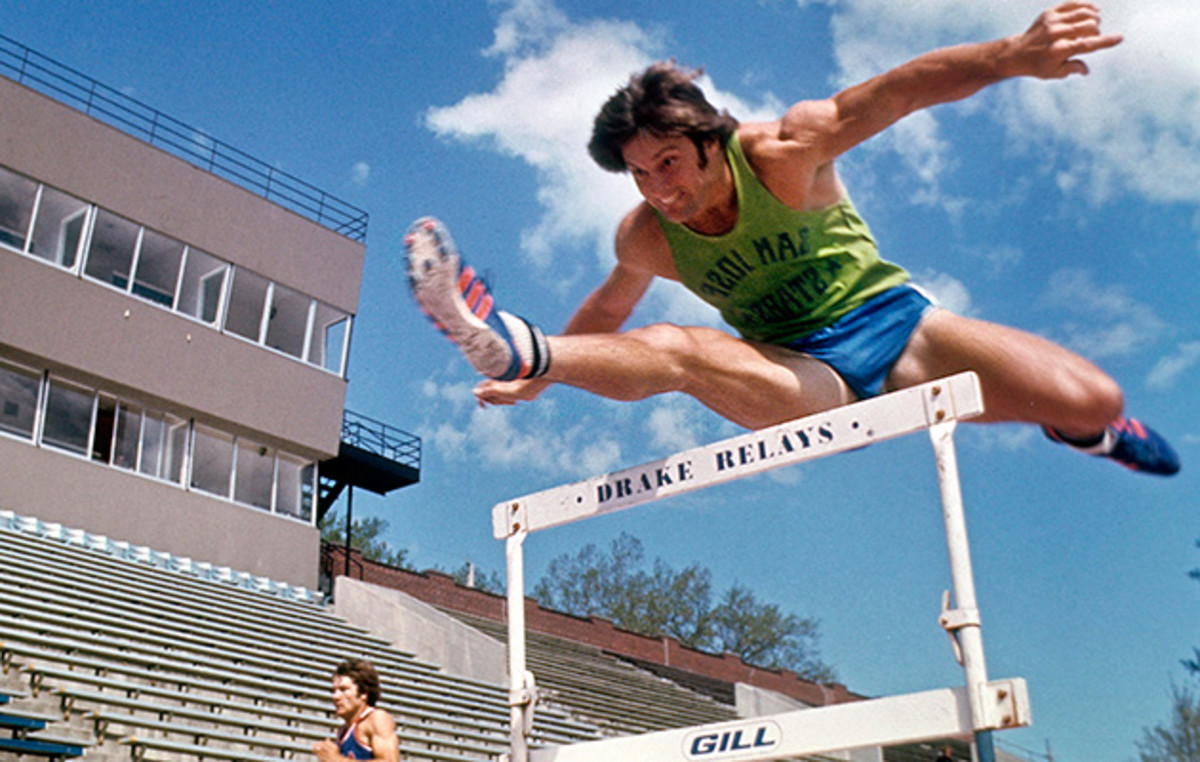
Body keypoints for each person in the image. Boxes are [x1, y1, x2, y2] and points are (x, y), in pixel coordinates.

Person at [405, 2, 1179, 476]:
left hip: (902, 329)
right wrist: (535, 377)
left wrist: (1011, 56)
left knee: (1094, 398)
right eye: (639, 174)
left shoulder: (783, 151)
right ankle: (514, 343)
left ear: (710, 139)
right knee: (681, 347)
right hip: (803, 377)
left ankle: (1094, 439)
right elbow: (609, 313)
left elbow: (898, 92)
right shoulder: (647, 235)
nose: (659, 189)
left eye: (668, 163)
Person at [313, 658, 401, 762]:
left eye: (343, 689)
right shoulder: (342, 731)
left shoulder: (377, 719)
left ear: (363, 693)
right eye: (334, 690)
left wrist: (337, 760)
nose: (335, 697)